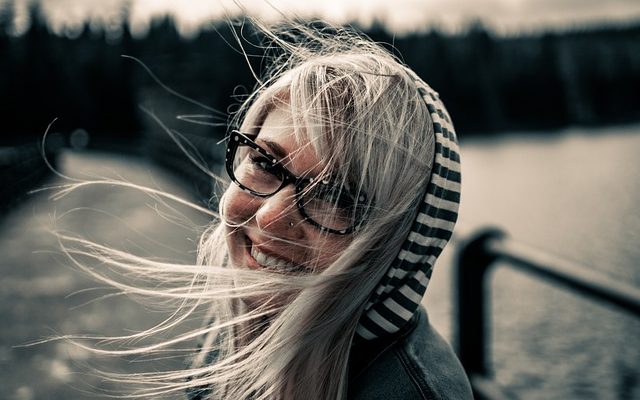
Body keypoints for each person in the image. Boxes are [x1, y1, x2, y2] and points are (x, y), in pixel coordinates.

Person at [59, 21, 471, 400]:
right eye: (266, 163)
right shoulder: (240, 322)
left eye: (336, 198)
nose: (272, 217)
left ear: (402, 246)